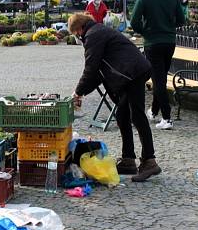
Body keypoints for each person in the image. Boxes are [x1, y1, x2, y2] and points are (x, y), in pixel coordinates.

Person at [69, 13, 161, 182]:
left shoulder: (92, 35)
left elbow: (91, 69)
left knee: (137, 115)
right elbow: (97, 73)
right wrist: (80, 92)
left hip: (133, 73)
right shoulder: (97, 31)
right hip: (133, 72)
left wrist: (78, 92)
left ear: (80, 28)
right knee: (122, 115)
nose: (78, 37)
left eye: (76, 34)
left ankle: (149, 161)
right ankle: (128, 160)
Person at [130, 0, 185, 131]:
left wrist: (146, 31)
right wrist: (168, 28)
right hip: (169, 42)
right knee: (160, 78)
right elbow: (181, 20)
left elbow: (134, 22)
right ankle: (154, 111)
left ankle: (167, 118)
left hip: (153, 43)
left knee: (158, 80)